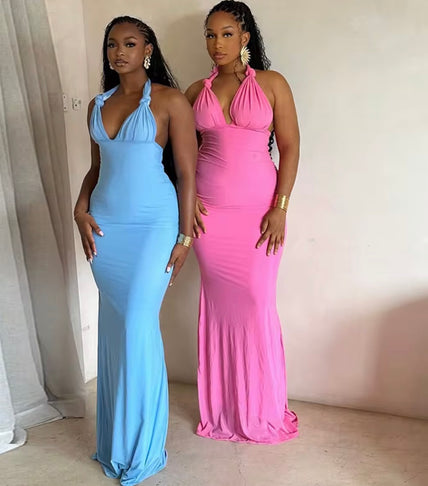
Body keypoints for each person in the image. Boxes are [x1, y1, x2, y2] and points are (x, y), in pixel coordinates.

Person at [73, 16, 196, 485]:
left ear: (148, 49)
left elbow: (187, 174)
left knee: (138, 328)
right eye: (112, 44)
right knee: (115, 329)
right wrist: (79, 208)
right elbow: (97, 168)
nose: (118, 51)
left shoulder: (169, 100)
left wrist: (185, 237)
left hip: (153, 228)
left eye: (129, 43)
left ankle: (143, 447)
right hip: (106, 230)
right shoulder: (97, 104)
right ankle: (115, 442)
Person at [185, 0, 299, 444]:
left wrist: (281, 207)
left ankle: (261, 409)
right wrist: (186, 198)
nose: (217, 43)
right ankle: (224, 411)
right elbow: (177, 153)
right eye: (210, 35)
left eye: (227, 34)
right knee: (218, 308)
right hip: (210, 217)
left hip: (259, 213)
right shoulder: (195, 91)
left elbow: (290, 146)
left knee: (255, 302)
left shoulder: (272, 83)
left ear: (245, 37)